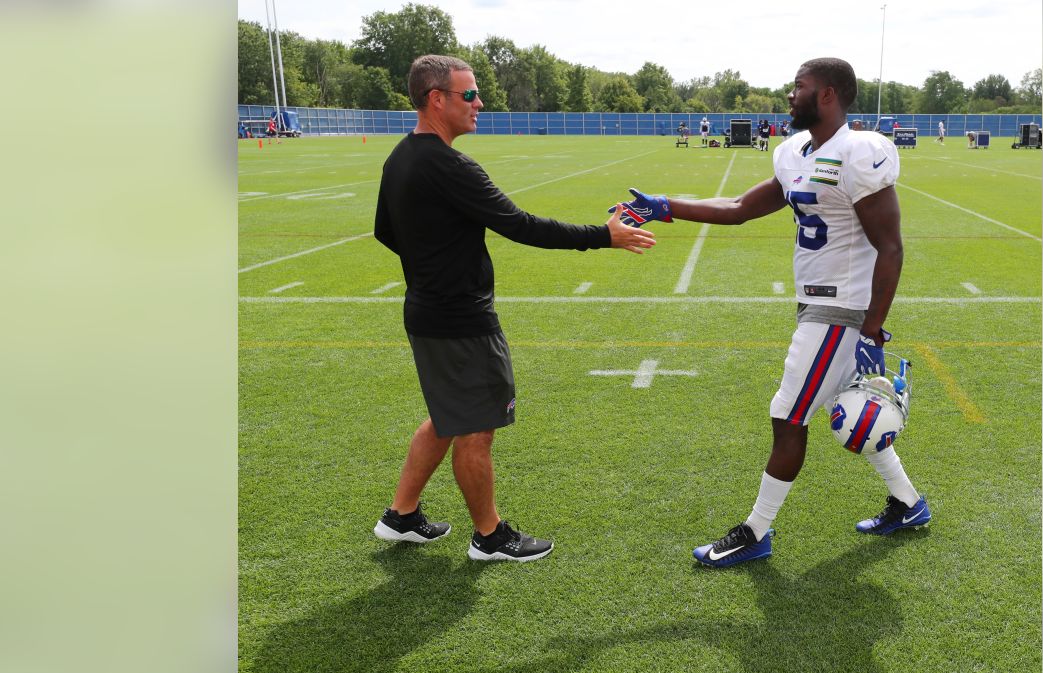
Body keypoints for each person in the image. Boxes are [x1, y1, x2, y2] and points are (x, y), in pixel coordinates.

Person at [610, 57, 930, 568]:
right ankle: (909, 503)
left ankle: (756, 531)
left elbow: (890, 248)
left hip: (840, 310)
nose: (789, 95)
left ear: (827, 94)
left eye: (798, 87)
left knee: (788, 415)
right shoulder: (796, 152)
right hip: (817, 304)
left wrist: (871, 329)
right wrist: (665, 205)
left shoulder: (859, 153)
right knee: (843, 407)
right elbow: (739, 207)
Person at [372, 55, 656, 562]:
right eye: (469, 95)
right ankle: (490, 536)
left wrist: (432, 265)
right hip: (460, 318)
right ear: (437, 99)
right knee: (476, 427)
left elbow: (384, 232)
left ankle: (401, 516)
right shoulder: (448, 164)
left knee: (446, 416)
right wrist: (603, 237)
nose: (479, 103)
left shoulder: (401, 157)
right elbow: (521, 225)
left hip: (428, 310)